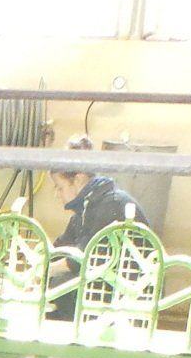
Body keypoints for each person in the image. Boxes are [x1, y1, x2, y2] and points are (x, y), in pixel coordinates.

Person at [46, 136, 141, 320]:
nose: (57, 194)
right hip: (107, 285)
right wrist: (41, 261)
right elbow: (62, 247)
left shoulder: (109, 205)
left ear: (79, 179)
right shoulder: (86, 208)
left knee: (61, 283)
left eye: (59, 187)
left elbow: (84, 258)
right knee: (53, 283)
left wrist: (44, 270)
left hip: (129, 293)